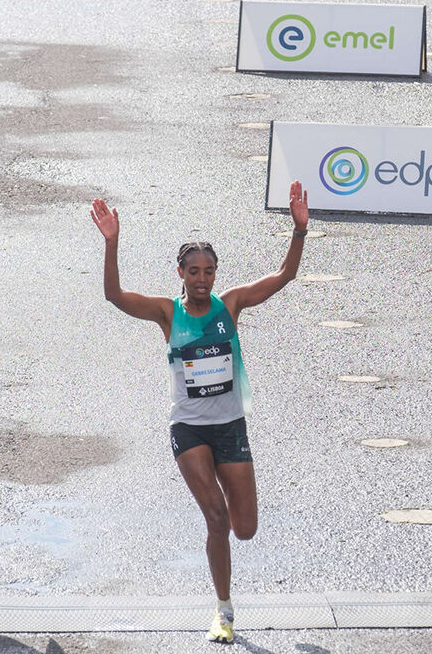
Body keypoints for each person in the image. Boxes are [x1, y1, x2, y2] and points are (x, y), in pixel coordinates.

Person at [89, 181, 309, 644]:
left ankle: (227, 539)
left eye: (209, 271)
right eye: (194, 271)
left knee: (244, 529)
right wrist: (112, 243)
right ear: (181, 273)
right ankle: (223, 611)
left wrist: (299, 230)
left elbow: (284, 276)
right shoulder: (167, 313)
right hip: (189, 429)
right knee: (217, 518)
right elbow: (114, 296)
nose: (203, 279)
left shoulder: (232, 304)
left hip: (230, 426)